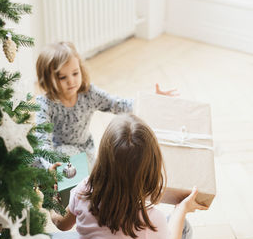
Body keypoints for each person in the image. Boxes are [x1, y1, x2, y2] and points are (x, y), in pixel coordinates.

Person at [49, 114, 208, 239]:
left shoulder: (83, 191)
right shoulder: (150, 219)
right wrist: (181, 209)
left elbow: (62, 224)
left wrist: (50, 194)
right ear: (151, 169)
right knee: (183, 227)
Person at [34, 42, 177, 170]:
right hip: (54, 156)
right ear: (48, 79)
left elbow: (118, 105)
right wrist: (49, 163)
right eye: (62, 77)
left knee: (67, 155)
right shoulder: (46, 104)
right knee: (32, 160)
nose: (71, 81)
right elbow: (42, 139)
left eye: (75, 73)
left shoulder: (88, 93)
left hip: (82, 154)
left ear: (81, 70)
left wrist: (151, 99)